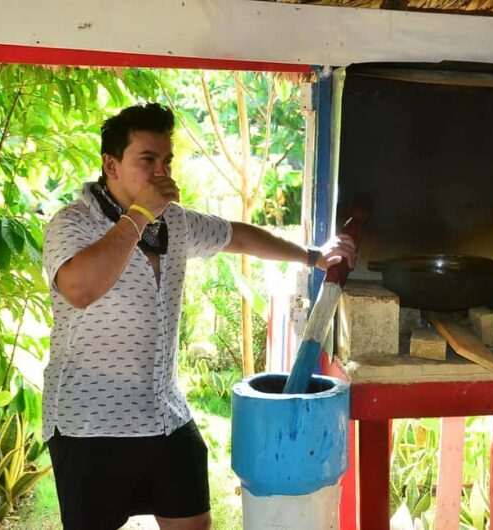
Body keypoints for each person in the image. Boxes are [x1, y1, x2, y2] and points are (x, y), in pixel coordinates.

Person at [42, 102, 355, 530]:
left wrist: (314, 257)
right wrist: (138, 216)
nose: (160, 172)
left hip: (164, 412)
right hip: (91, 422)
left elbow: (237, 236)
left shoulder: (175, 223)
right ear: (110, 164)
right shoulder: (71, 223)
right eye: (146, 160)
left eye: (166, 160)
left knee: (193, 523)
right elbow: (80, 289)